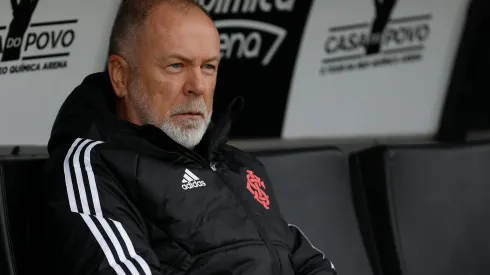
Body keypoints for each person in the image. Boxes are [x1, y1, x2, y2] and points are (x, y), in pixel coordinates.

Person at [32, 0, 337, 274]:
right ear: (121, 77)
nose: (197, 86)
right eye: (176, 65)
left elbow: (309, 262)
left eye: (208, 67)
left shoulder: (237, 164)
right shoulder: (96, 165)